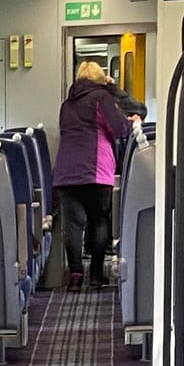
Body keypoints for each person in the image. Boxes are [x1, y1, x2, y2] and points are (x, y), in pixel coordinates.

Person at [51, 57, 129, 289]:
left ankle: (75, 276)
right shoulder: (101, 97)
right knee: (99, 221)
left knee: (73, 225)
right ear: (101, 78)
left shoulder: (66, 104)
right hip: (96, 168)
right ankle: (95, 275)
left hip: (66, 170)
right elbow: (119, 129)